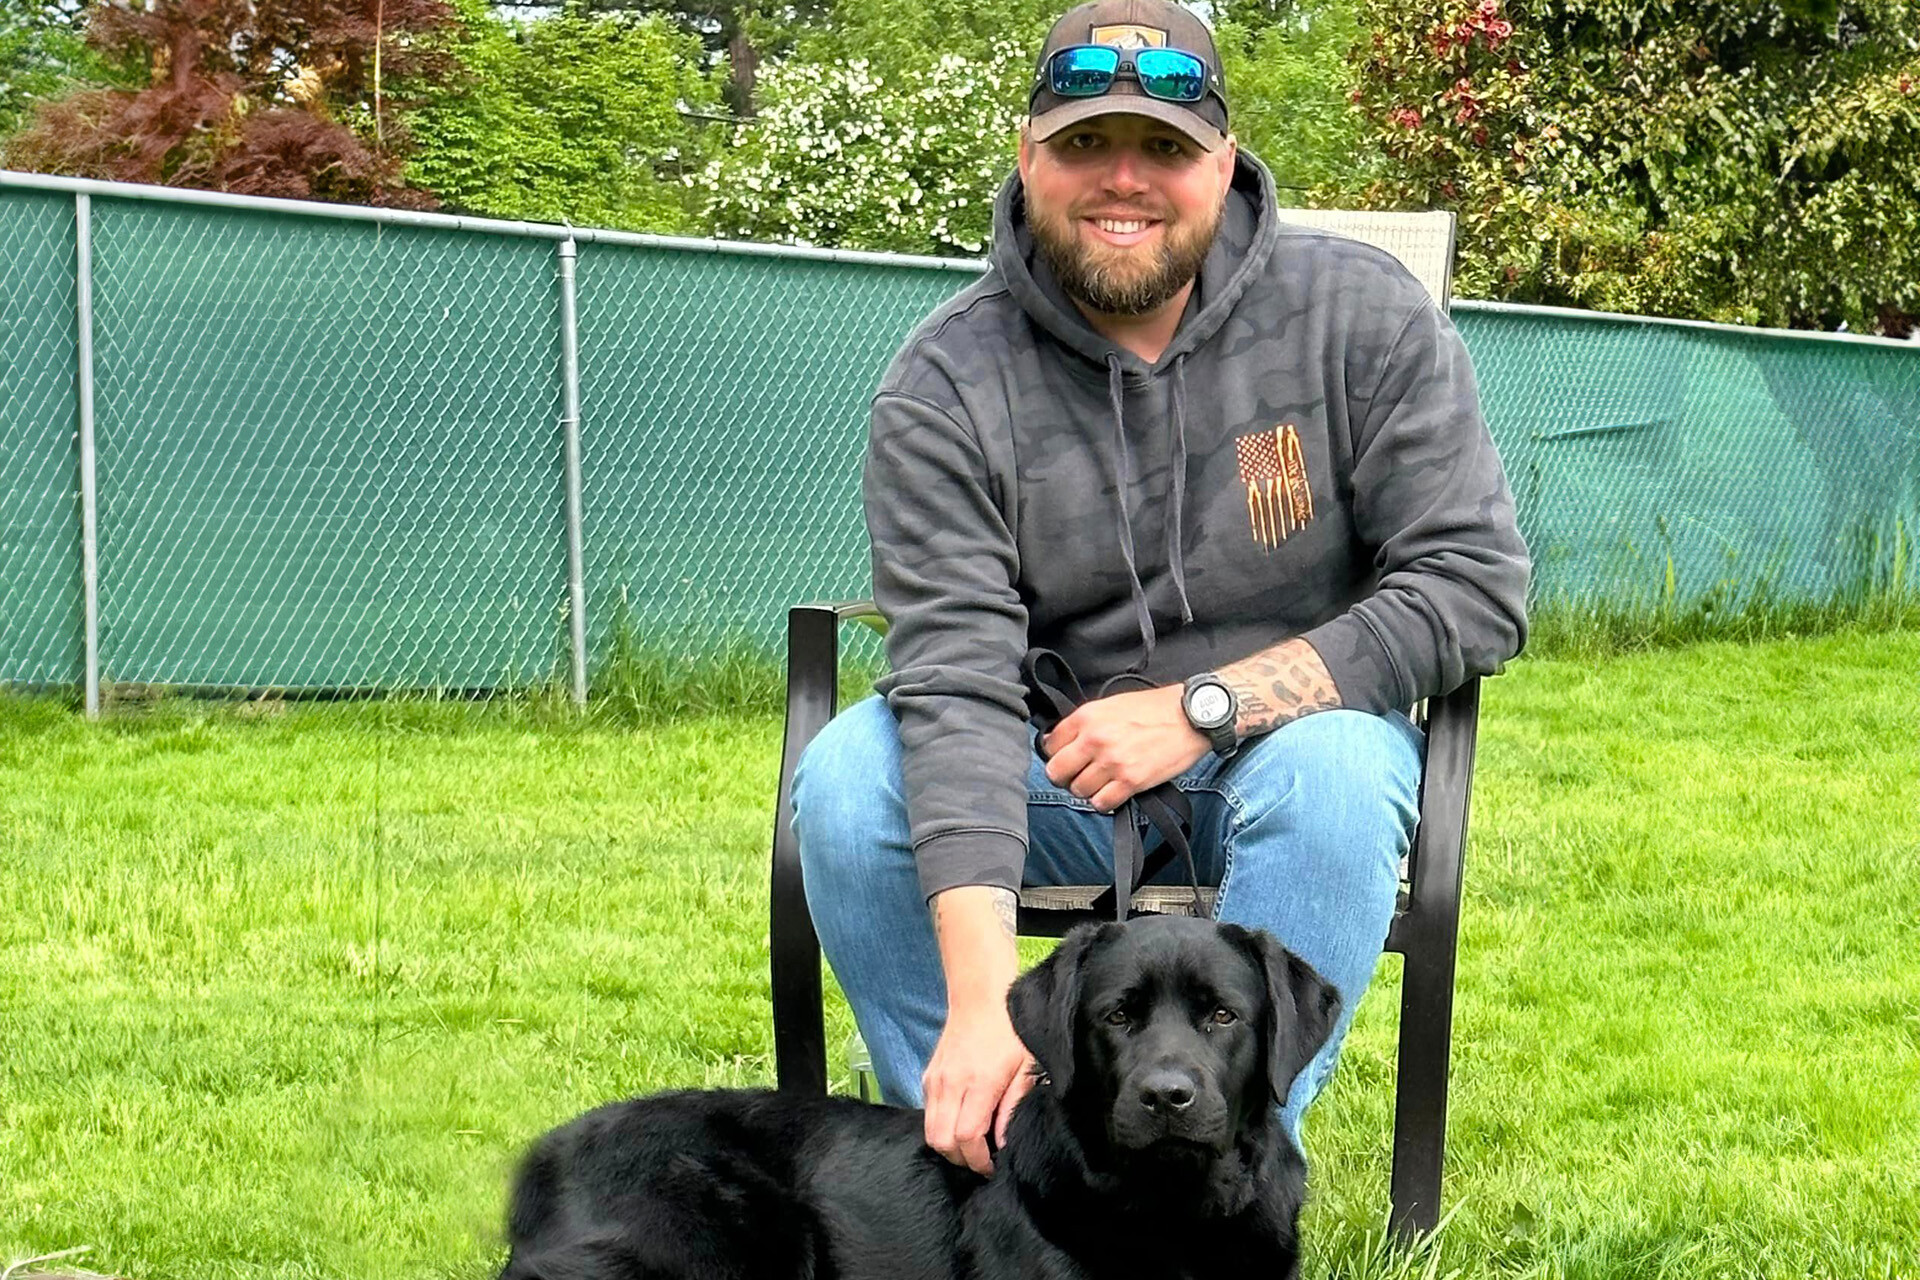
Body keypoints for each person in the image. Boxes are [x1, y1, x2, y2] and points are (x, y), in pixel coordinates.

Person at [792, 0, 1530, 1180]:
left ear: (1223, 163)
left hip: (1283, 760)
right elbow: (962, 687)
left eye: (1164, 149)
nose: (1122, 181)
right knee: (845, 775)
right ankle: (992, 1175)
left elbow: (1473, 583)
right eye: (1085, 144)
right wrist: (987, 1005)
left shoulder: (1360, 317)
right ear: (1030, 153)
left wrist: (1200, 710)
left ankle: (1230, 1186)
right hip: (1056, 772)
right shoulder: (945, 382)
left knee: (1341, 769)